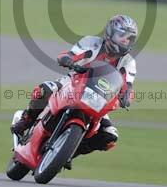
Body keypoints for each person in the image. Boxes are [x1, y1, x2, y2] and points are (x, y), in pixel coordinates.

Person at [11, 14, 138, 159]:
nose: (125, 41)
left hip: (99, 99)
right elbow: (72, 54)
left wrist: (126, 97)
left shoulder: (128, 62)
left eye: (129, 38)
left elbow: (127, 85)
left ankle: (67, 153)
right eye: (122, 36)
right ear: (110, 32)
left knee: (110, 137)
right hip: (73, 83)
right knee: (44, 90)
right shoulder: (93, 43)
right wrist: (68, 59)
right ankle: (26, 120)